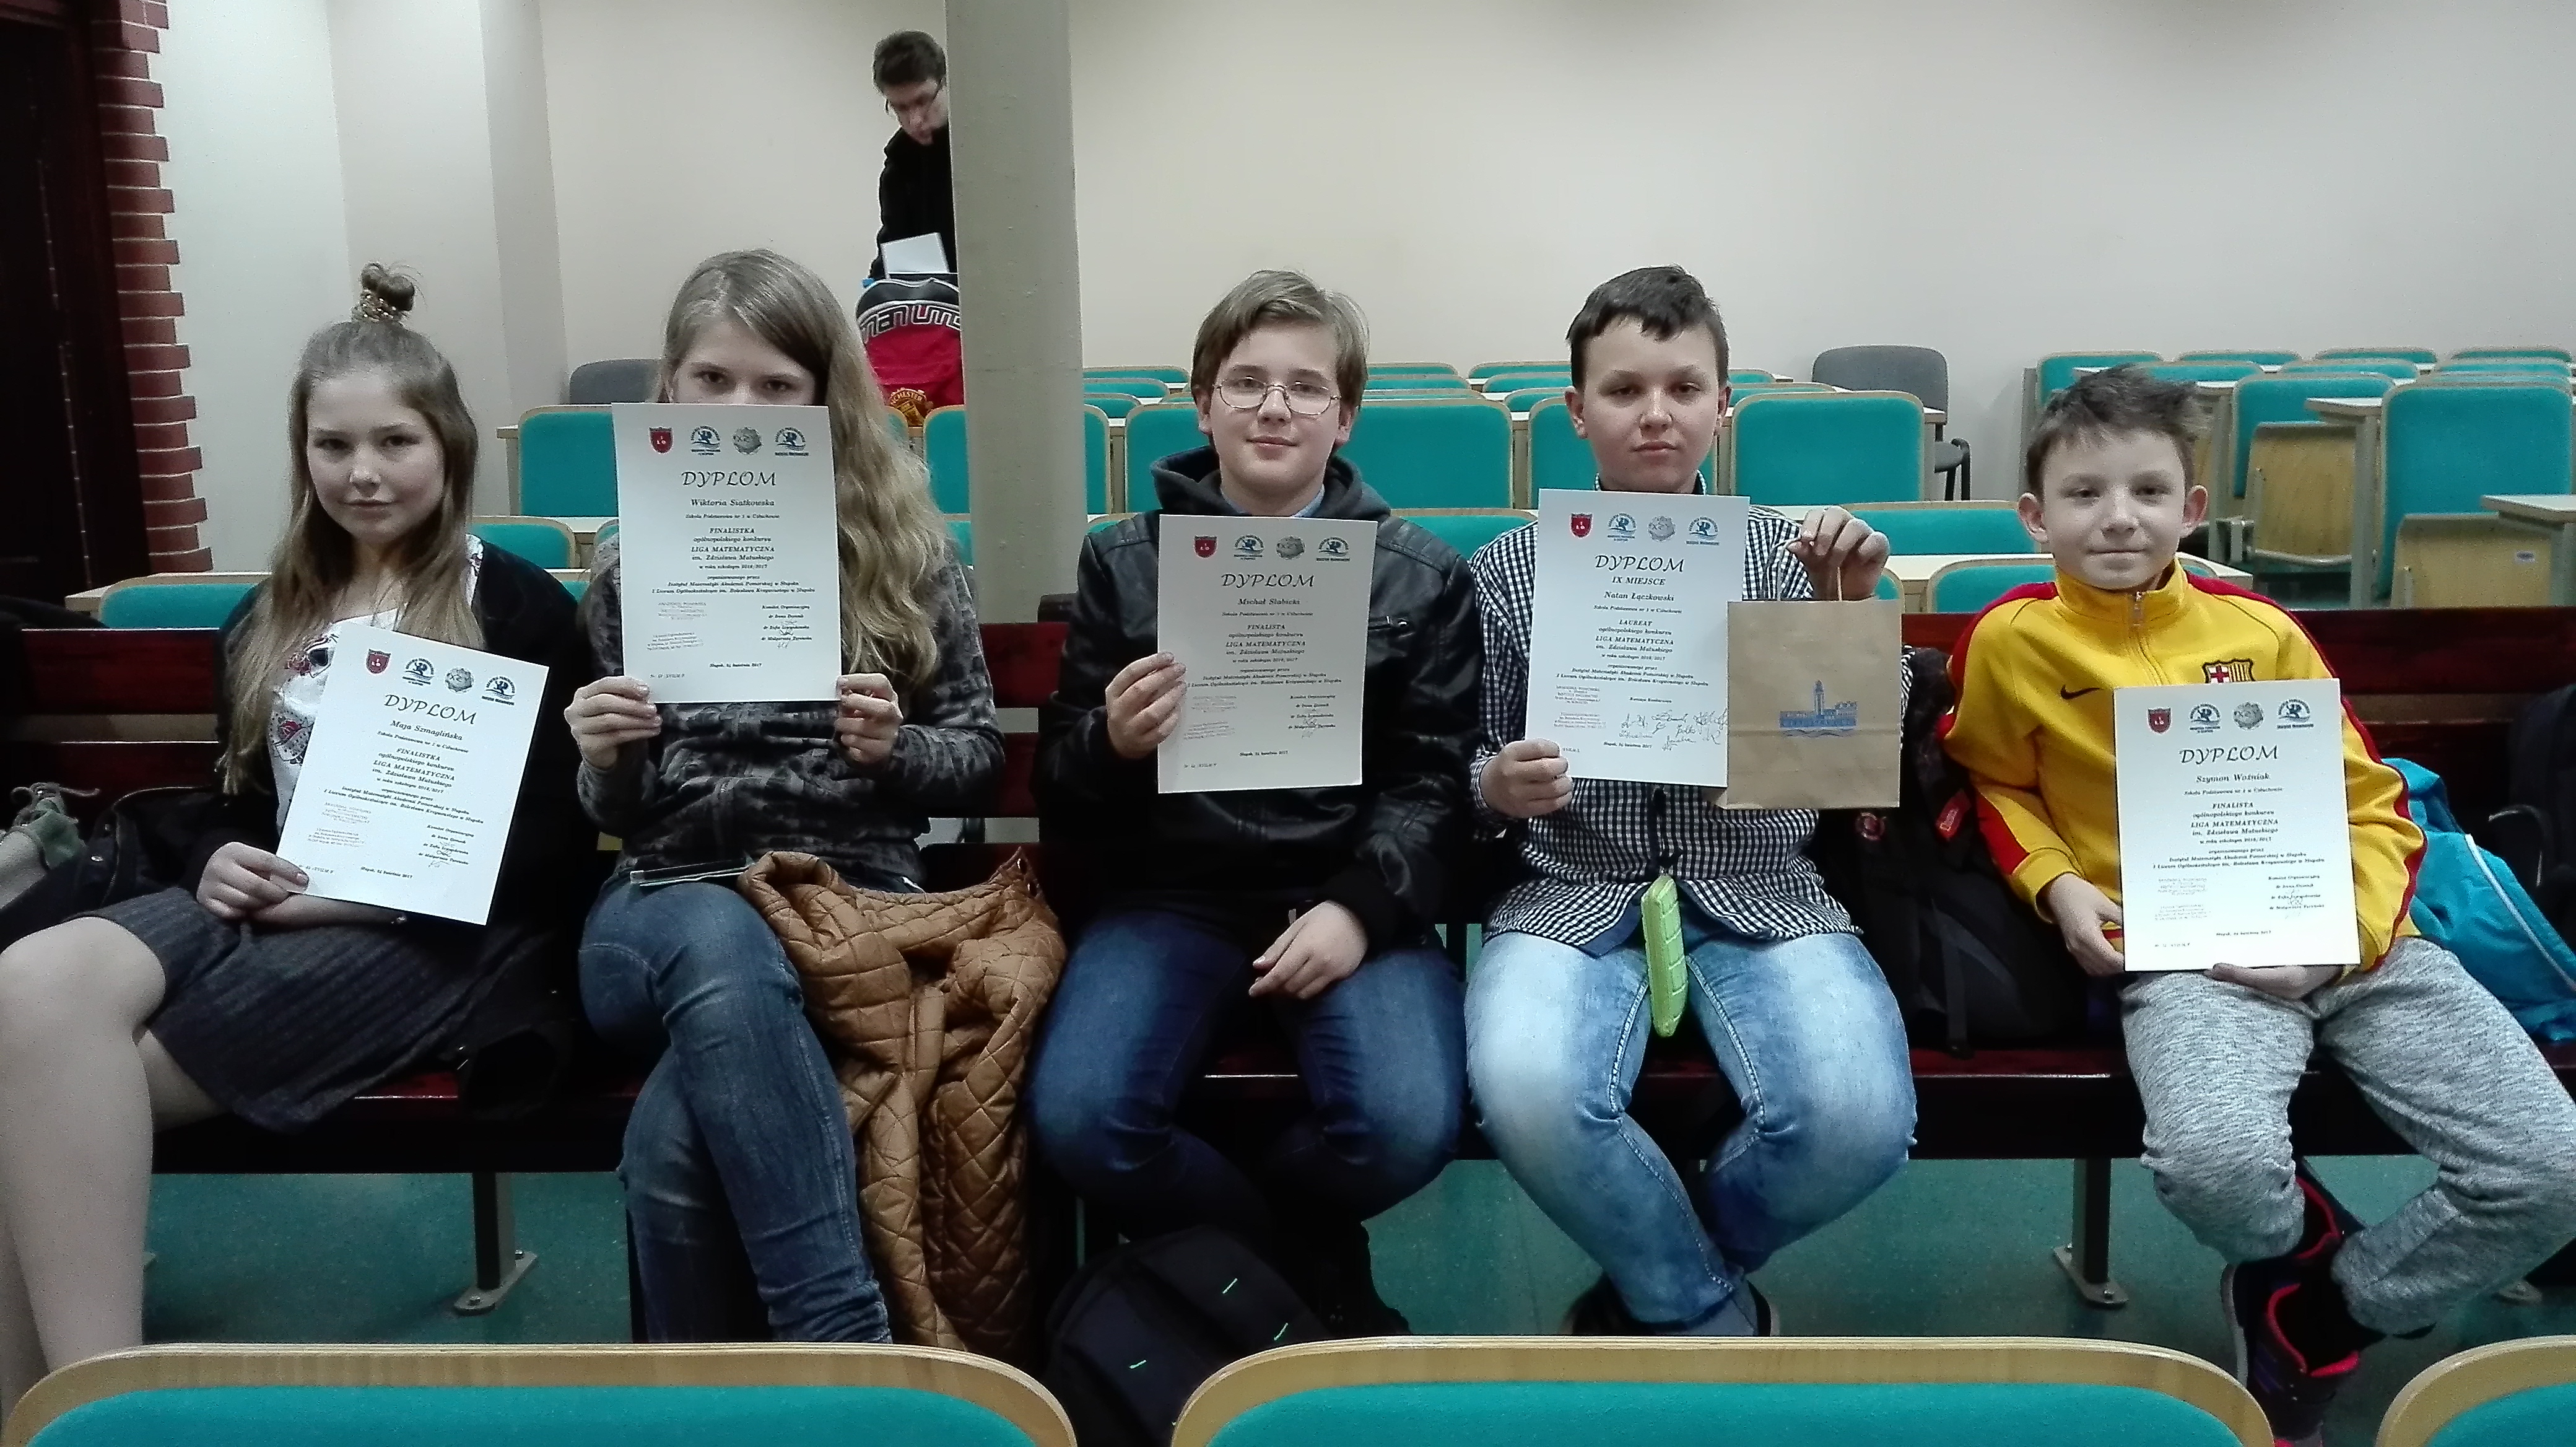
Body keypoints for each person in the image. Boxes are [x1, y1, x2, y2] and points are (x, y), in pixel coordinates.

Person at [1941, 365, 2576, 1445]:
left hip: (2363, 948)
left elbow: (2373, 804)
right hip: (2185, 956)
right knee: (2216, 1172)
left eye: (2149, 491)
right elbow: (1992, 783)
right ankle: (2299, 1261)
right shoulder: (2011, 641)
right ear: (2035, 517)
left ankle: (2318, 1312)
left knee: (2551, 1173)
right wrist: (2057, 881)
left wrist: (2342, 941)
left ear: (2193, 508)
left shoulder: (2262, 630)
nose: (2119, 518)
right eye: (2086, 494)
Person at [0, 265, 591, 1404]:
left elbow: (553, 845)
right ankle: (49, 1407)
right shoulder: (267, 613)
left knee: (35, 1087)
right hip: (265, 896)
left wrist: (357, 898)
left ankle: (89, 1402)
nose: (363, 473)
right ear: (302, 453)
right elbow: (234, 800)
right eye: (334, 446)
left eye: (395, 442)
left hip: (433, 935)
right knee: (29, 984)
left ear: (449, 445)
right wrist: (213, 856)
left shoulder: (518, 609)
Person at [1465, 266, 1915, 1337]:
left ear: (1723, 404)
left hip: (1760, 885)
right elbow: (1459, 760)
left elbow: (1858, 758)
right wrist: (1494, 785)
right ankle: (1705, 1314)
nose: (1655, 414)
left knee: (1859, 1120)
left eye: (1683, 387)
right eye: (1624, 390)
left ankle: (1658, 1285)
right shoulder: (1510, 571)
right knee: (1524, 1089)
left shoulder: (1795, 559)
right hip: (1571, 892)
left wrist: (1847, 620)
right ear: (1577, 411)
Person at [1029, 269, 1479, 1333]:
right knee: (1085, 1122)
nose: (1275, 408)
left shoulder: (1419, 576)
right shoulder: (1124, 561)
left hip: (1346, 891)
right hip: (1171, 898)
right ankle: (1305, 1272)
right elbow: (1061, 787)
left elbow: (1431, 781)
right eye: (1246, 383)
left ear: (1345, 416)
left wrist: (1359, 909)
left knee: (1407, 1127)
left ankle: (1243, 1276)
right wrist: (1111, 742)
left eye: (1306, 387)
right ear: (1203, 404)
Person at [568, 249, 999, 1342]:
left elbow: (976, 758)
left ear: (824, 398)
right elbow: (617, 813)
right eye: (712, 380)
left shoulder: (908, 555)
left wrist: (895, 750)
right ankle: (843, 1338)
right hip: (663, 902)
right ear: (671, 388)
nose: (740, 411)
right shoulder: (627, 568)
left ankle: (711, 1408)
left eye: (776, 385)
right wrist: (607, 757)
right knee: (721, 937)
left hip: (848, 910)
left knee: (672, 1153)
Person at [869, 30, 952, 281]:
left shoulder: (987, 152)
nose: (914, 121)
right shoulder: (897, 170)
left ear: (946, 84)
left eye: (923, 101)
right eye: (900, 108)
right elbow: (893, 251)